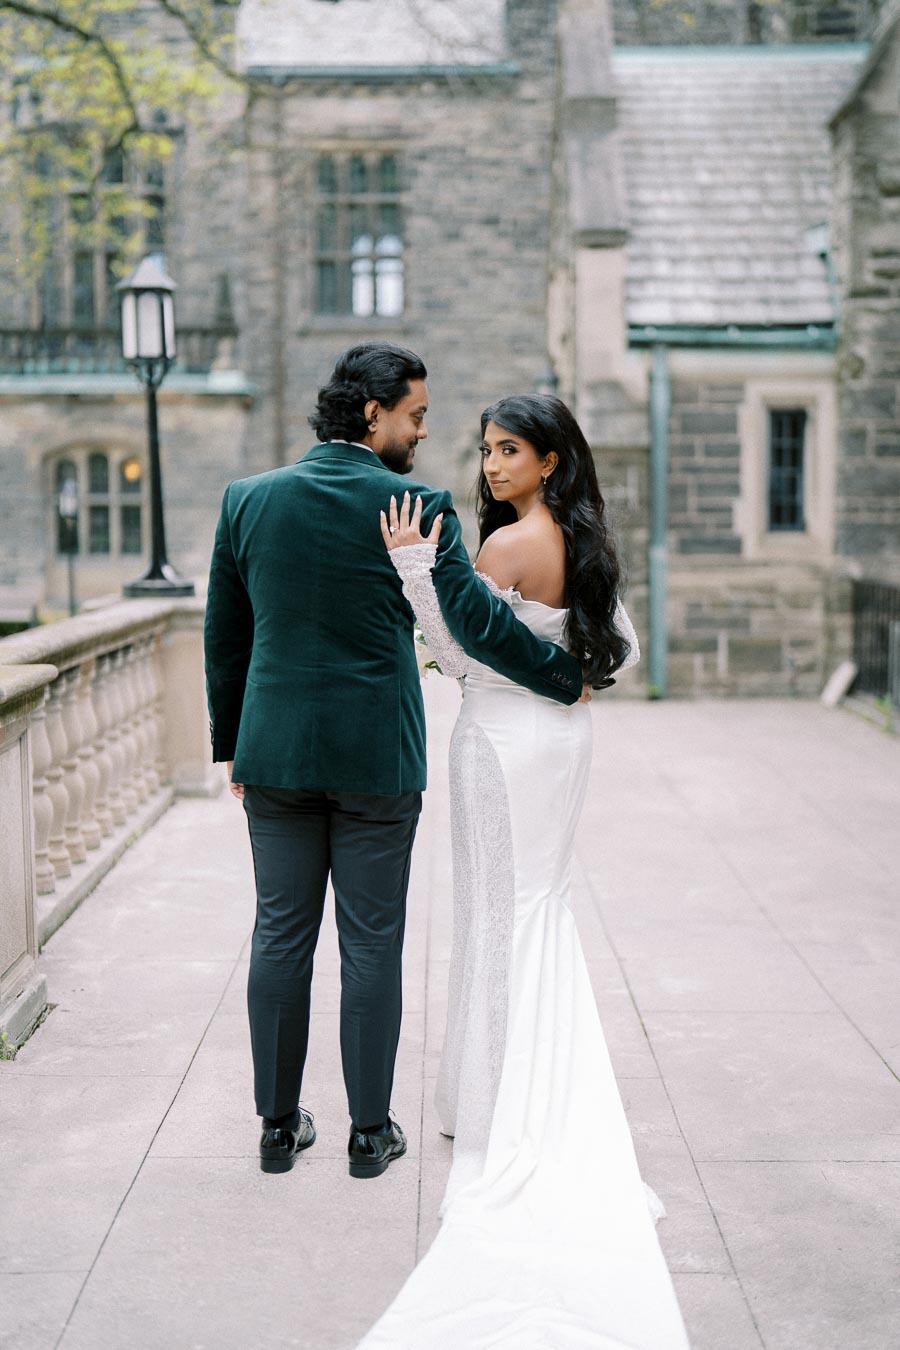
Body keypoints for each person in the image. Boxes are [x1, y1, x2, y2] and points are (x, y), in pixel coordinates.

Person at [203, 345, 584, 1180]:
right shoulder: (417, 502)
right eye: (415, 414)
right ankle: (370, 1136)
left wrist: (233, 745)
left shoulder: (247, 501)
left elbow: (226, 640)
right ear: (371, 412)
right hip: (378, 757)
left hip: (274, 756)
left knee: (279, 935)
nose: (422, 432)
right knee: (373, 941)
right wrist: (565, 675)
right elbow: (478, 624)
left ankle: (276, 1129)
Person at [359, 394, 690, 1347]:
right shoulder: (584, 545)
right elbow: (604, 654)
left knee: (498, 917)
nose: (492, 465)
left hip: (502, 743)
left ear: (550, 460)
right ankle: (509, 1087)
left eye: (509, 451)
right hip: (562, 742)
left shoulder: (504, 549)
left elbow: (462, 649)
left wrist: (416, 569)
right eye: (485, 450)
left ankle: (499, 1103)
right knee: (536, 909)